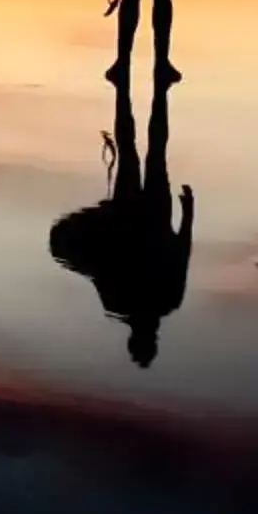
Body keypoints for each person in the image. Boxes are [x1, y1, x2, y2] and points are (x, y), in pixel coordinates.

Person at [46, 77, 194, 367]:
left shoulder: (122, 302)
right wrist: (188, 216)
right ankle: (146, 87)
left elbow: (101, 262)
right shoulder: (152, 302)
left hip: (133, 215)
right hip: (150, 216)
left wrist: (188, 216)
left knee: (144, 152)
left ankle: (133, 87)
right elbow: (181, 254)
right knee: (150, 152)